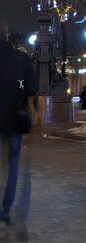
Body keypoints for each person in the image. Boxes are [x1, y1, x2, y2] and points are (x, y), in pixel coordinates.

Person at [1, 36, 38, 231]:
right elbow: (33, 88)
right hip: (14, 120)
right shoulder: (20, 59)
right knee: (12, 166)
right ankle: (4, 211)